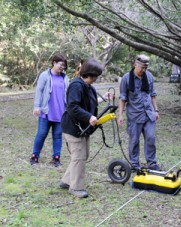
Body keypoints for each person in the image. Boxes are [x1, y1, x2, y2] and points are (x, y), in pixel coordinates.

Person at [59, 58, 111, 198]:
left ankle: (66, 180)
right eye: (96, 76)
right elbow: (73, 107)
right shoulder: (76, 85)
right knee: (79, 157)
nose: (96, 79)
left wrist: (104, 98)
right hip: (73, 127)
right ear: (89, 74)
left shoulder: (87, 86)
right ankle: (75, 187)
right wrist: (89, 117)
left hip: (83, 127)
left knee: (83, 155)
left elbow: (88, 103)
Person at [118, 54, 161, 171]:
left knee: (151, 138)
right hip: (134, 115)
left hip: (149, 113)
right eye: (141, 67)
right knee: (134, 141)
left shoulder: (149, 76)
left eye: (145, 68)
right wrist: (120, 115)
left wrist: (156, 110)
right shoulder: (126, 78)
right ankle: (134, 164)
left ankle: (151, 163)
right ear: (135, 65)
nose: (143, 70)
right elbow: (123, 98)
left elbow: (152, 94)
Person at [30, 54, 69, 167]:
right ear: (54, 62)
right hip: (46, 111)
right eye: (61, 65)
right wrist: (37, 106)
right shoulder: (45, 75)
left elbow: (67, 93)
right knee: (41, 134)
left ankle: (56, 158)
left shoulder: (64, 77)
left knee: (57, 136)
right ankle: (35, 156)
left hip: (60, 112)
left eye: (64, 66)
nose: (62, 68)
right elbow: (39, 91)